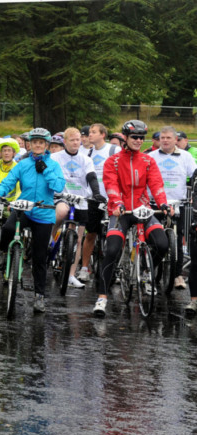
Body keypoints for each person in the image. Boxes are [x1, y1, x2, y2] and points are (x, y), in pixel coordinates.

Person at [93, 120, 171, 317]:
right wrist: (117, 203)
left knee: (162, 244)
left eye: (142, 137)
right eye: (135, 137)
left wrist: (162, 203)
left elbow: (156, 184)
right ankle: (102, 297)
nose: (138, 140)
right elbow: (111, 185)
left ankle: (146, 272)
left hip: (142, 209)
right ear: (125, 138)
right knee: (111, 250)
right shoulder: (113, 161)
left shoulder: (148, 161)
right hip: (121, 211)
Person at [0, 127, 66, 313]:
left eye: (41, 143)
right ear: (29, 145)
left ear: (46, 145)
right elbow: (8, 182)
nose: (37, 146)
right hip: (24, 209)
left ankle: (39, 296)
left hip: (44, 213)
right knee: (7, 228)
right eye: (34, 142)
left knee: (40, 257)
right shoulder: (22, 164)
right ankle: (1, 252)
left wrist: (45, 170)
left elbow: (58, 186)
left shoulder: (53, 165)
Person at [50, 127, 102, 288]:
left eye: (78, 140)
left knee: (78, 239)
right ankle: (50, 238)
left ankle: (71, 275)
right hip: (60, 197)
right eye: (72, 140)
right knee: (61, 213)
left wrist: (96, 193)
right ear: (65, 141)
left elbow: (91, 177)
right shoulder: (55, 157)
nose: (75, 143)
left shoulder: (86, 159)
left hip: (80, 199)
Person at [146, 126, 196, 290]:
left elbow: (194, 175)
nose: (165, 140)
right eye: (162, 138)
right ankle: (150, 272)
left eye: (169, 138)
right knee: (154, 240)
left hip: (178, 203)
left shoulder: (186, 156)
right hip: (155, 204)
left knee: (178, 238)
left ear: (176, 140)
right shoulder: (151, 156)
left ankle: (177, 275)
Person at [78, 123, 120, 282]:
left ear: (103, 134)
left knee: (115, 236)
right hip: (93, 199)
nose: (89, 135)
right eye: (89, 132)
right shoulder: (87, 153)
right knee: (90, 234)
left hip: (111, 199)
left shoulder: (113, 150)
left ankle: (114, 269)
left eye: (93, 132)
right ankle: (84, 268)